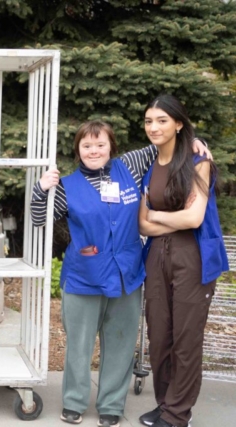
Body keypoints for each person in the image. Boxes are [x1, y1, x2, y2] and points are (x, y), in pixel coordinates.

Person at [31, 120, 209, 427]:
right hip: (83, 277)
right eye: (86, 146)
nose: (94, 151)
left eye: (100, 144)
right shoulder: (67, 186)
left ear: (112, 147)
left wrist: (193, 140)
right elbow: (38, 219)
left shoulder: (131, 165)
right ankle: (74, 402)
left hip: (127, 275)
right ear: (78, 151)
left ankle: (111, 404)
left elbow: (164, 141)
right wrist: (40, 188)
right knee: (79, 345)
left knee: (121, 343)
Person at [137, 94, 229, 427]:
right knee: (159, 337)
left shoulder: (197, 160)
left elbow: (194, 219)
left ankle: (178, 415)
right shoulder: (150, 166)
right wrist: (167, 217)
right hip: (157, 258)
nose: (154, 127)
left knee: (186, 340)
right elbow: (142, 224)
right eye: (149, 121)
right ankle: (165, 404)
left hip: (194, 259)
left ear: (178, 124)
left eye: (162, 120)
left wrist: (158, 215)